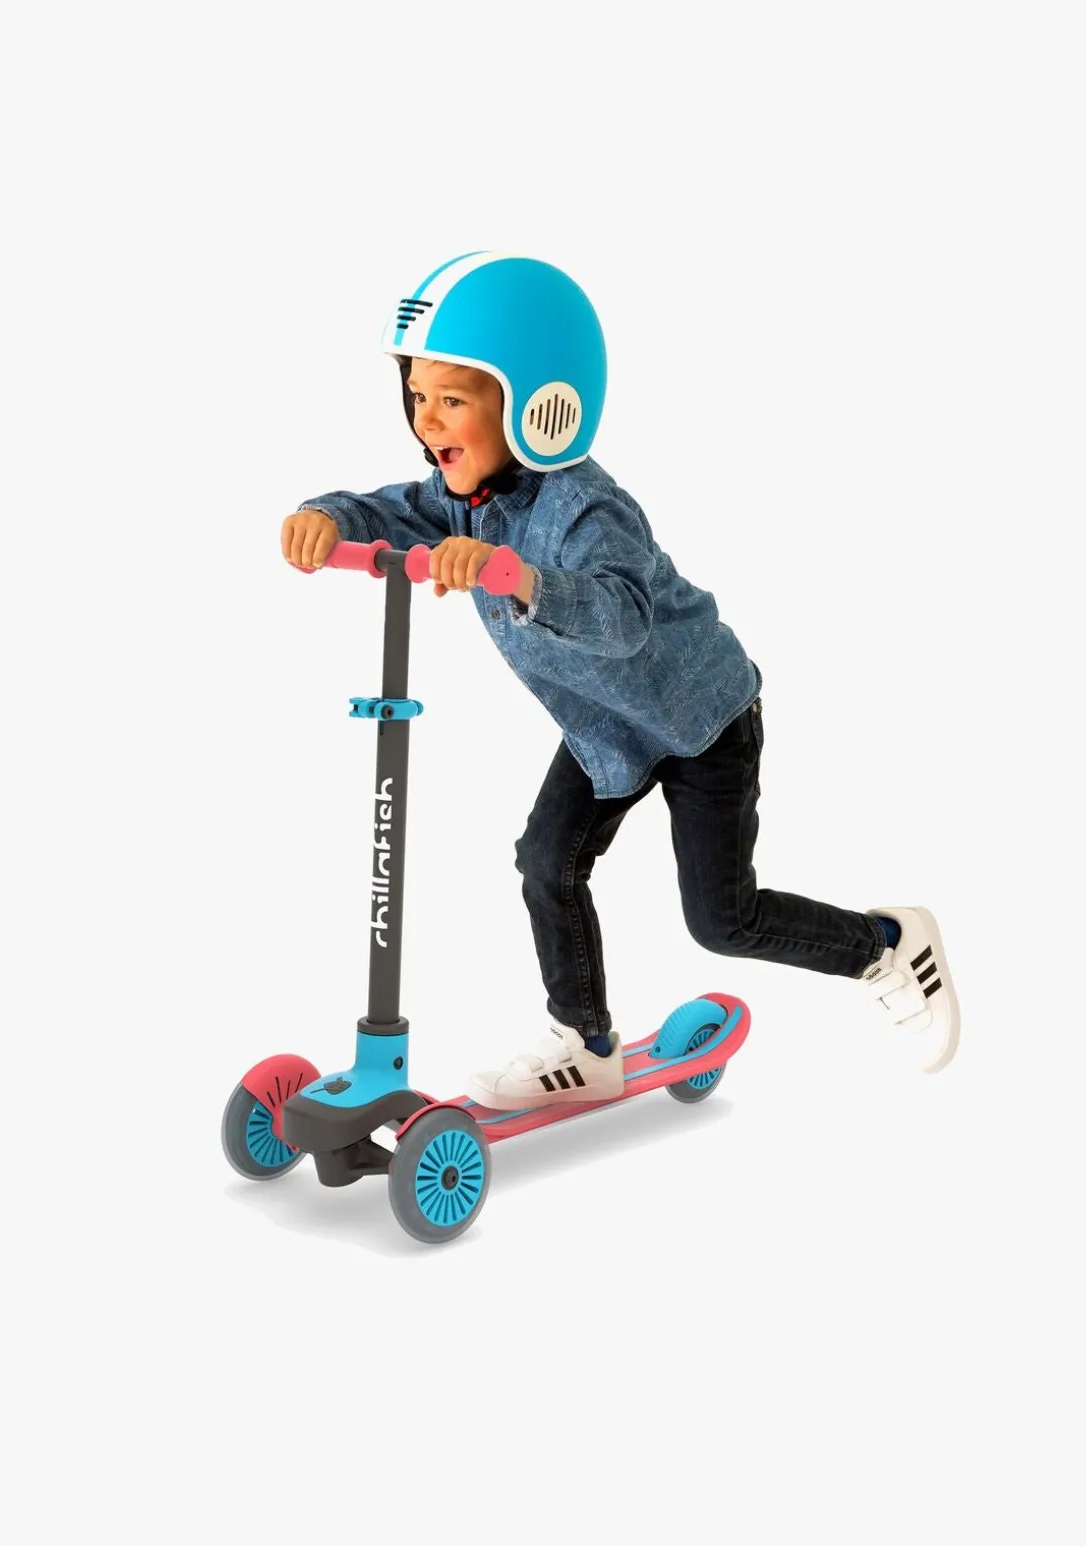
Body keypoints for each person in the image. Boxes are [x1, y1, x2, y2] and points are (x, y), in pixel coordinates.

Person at [282, 252, 959, 1110]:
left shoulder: (584, 508)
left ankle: (887, 943)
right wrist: (328, 516)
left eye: (452, 399)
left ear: (537, 403)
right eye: (417, 395)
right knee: (545, 861)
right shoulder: (462, 497)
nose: (427, 420)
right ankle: (585, 1040)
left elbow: (621, 617)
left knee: (724, 921)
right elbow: (391, 509)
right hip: (607, 727)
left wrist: (514, 576)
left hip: (702, 721)